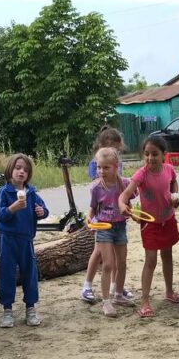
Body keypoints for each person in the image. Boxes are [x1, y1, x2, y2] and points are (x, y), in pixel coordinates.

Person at [119, 136, 179, 317]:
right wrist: (123, 205)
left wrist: (175, 196)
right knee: (151, 260)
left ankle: (169, 292)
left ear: (164, 155)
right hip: (150, 223)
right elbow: (125, 194)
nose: (150, 158)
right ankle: (145, 302)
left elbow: (173, 183)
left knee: (167, 255)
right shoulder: (141, 174)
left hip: (167, 220)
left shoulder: (169, 169)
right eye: (146, 154)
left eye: (154, 154)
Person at [0, 153, 48, 328]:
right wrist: (12, 208)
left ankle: (30, 308)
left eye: (25, 169)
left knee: (29, 274)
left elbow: (43, 209)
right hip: (7, 239)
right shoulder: (4, 192)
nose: (21, 172)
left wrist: (42, 212)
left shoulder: (31, 193)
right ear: (10, 170)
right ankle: (7, 310)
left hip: (26, 240)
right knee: (7, 274)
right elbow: (0, 216)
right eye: (18, 168)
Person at [81, 127, 129, 303]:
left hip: (117, 221)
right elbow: (96, 194)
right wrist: (91, 217)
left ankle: (116, 287)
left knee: (117, 259)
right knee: (99, 254)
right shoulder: (97, 167)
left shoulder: (118, 168)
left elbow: (125, 190)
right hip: (103, 221)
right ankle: (87, 285)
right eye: (113, 147)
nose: (115, 151)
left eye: (117, 149)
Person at [87, 147, 132, 318]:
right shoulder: (96, 187)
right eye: (99, 167)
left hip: (120, 226)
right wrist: (90, 219)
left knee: (122, 263)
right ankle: (106, 301)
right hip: (103, 227)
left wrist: (130, 212)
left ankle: (118, 294)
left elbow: (129, 202)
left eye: (106, 167)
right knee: (108, 264)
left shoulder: (125, 184)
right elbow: (92, 209)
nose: (101, 171)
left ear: (116, 166)